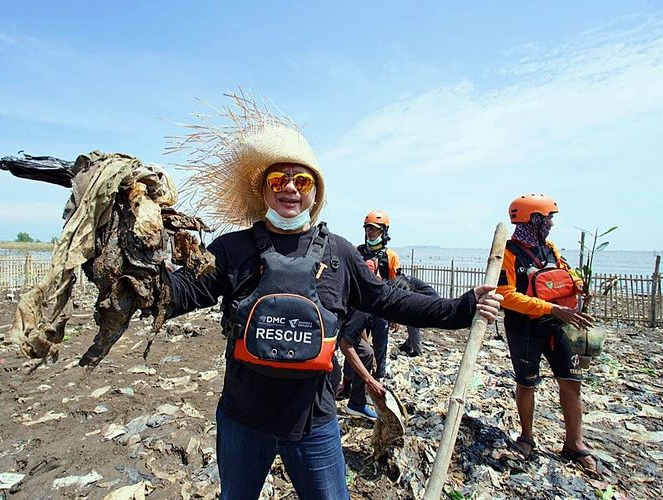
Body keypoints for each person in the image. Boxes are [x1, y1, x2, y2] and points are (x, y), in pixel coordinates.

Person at [165, 94, 503, 499]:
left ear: (315, 190)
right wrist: (127, 276)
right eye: (278, 180)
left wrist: (462, 308)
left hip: (315, 421)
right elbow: (181, 292)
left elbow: (391, 301)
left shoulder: (339, 253)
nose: (290, 188)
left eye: (301, 180)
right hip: (243, 418)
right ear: (263, 190)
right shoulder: (231, 249)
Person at [497, 193, 601, 478]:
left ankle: (574, 444)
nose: (552, 224)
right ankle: (527, 437)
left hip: (558, 326)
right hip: (524, 328)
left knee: (571, 381)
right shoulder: (508, 253)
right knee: (526, 383)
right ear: (533, 219)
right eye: (548, 218)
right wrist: (551, 308)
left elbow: (565, 274)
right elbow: (506, 296)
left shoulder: (550, 249)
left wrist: (578, 287)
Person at [337, 259, 388, 420]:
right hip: (332, 328)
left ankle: (355, 398)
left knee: (366, 352)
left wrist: (368, 348)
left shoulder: (366, 295)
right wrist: (370, 379)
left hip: (341, 327)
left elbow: (358, 329)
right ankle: (355, 403)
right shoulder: (366, 298)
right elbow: (347, 343)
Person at [356, 211, 401, 378]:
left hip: (381, 309)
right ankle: (353, 379)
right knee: (355, 343)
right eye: (368, 228)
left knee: (380, 346)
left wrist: (395, 314)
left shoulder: (390, 256)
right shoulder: (358, 252)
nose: (370, 232)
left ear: (384, 231)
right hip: (360, 307)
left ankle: (378, 379)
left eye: (374, 229)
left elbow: (395, 285)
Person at [395, 274, 440, 357]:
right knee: (411, 320)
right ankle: (408, 345)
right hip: (430, 301)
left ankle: (417, 351)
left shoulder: (402, 282)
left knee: (411, 322)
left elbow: (403, 297)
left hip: (430, 304)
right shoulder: (403, 279)